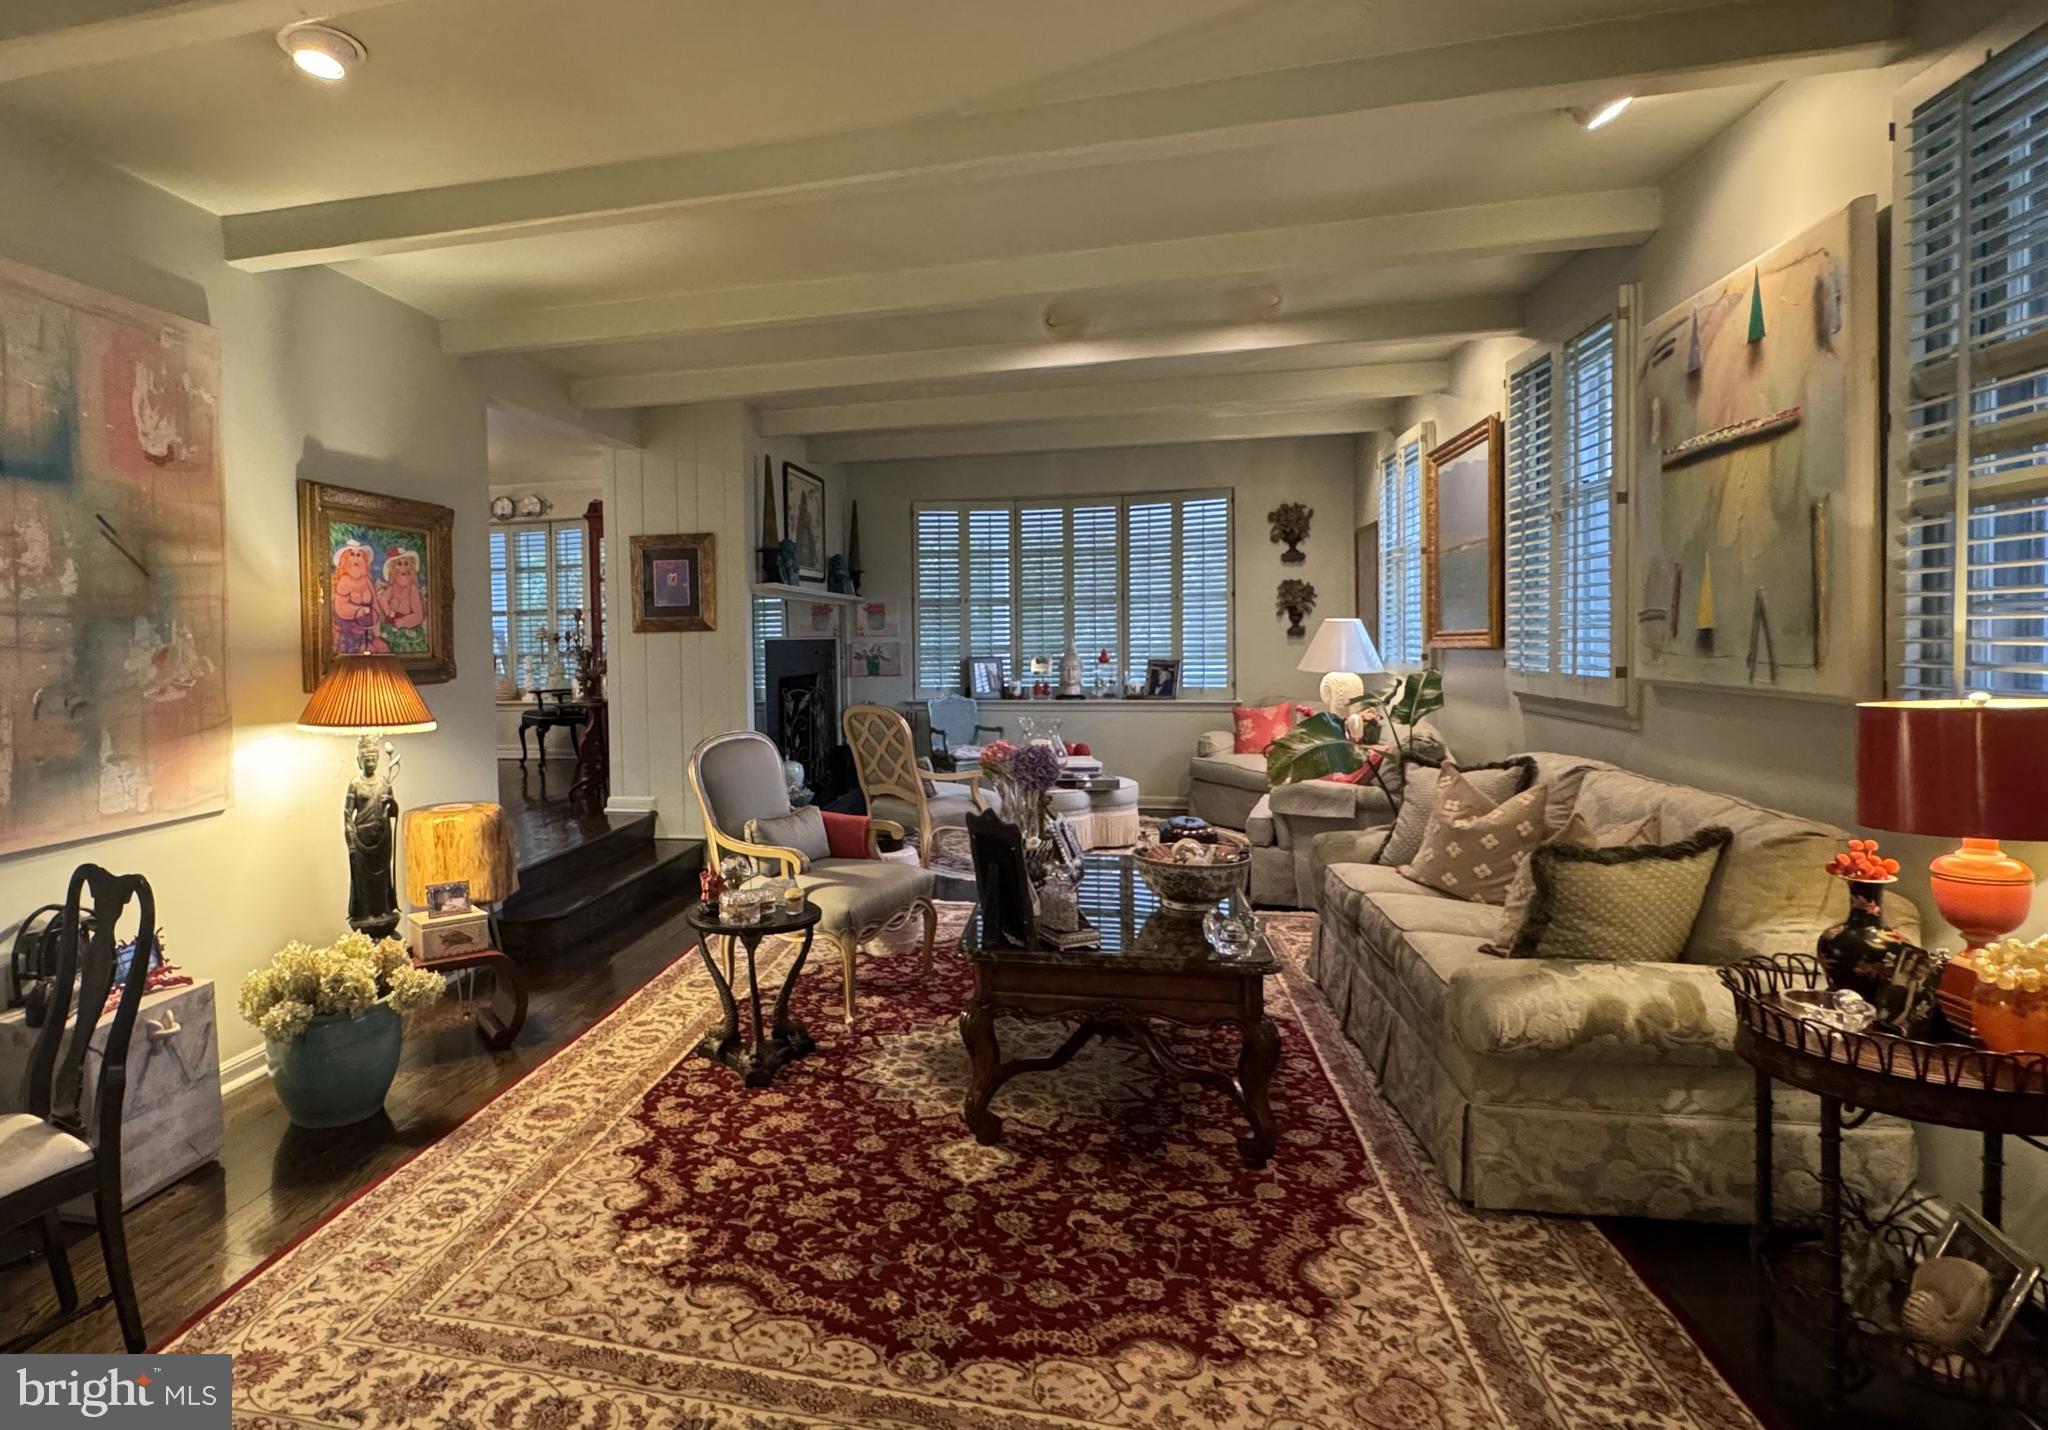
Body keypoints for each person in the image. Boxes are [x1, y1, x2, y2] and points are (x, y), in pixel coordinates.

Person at [343, 736, 400, 937]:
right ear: (359, 759)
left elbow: (392, 812)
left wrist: (391, 803)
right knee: (363, 881)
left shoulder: (384, 782)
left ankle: (383, 910)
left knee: (382, 878)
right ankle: (366, 913)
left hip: (382, 838)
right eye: (366, 758)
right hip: (362, 840)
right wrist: (351, 840)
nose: (370, 762)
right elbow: (347, 813)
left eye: (373, 758)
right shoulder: (355, 784)